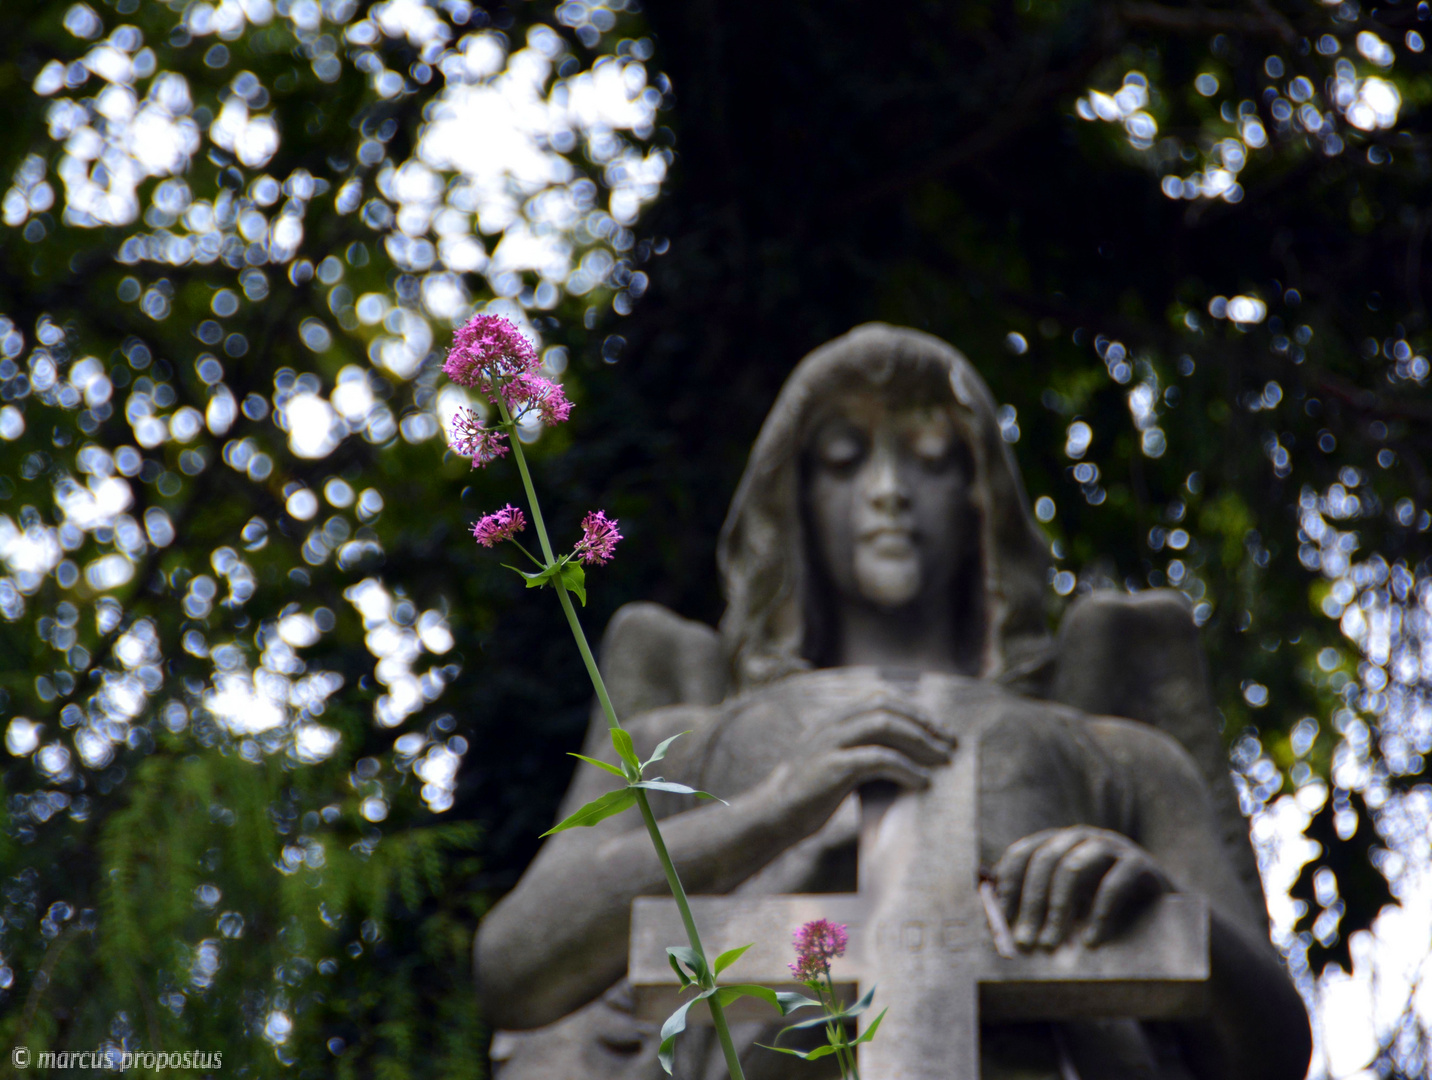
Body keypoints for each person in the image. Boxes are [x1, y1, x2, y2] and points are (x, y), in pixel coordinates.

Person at [476, 324, 1312, 1079]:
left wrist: (1159, 906)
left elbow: (1273, 1049)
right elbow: (515, 967)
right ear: (793, 502)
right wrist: (772, 810)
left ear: (982, 494)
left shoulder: (1118, 754)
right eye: (844, 459)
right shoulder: (682, 744)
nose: (888, 489)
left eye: (933, 457)